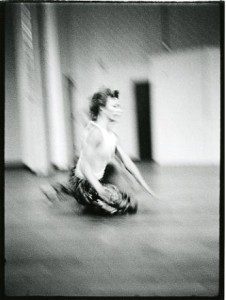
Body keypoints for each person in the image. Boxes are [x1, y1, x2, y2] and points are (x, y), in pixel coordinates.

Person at [43, 88, 156, 215]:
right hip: (84, 183)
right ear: (102, 108)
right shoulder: (96, 133)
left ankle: (60, 189)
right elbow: (85, 166)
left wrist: (144, 185)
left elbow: (127, 163)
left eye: (119, 106)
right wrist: (99, 189)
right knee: (126, 206)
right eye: (115, 106)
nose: (119, 110)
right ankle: (73, 192)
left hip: (94, 178)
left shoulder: (112, 136)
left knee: (127, 203)